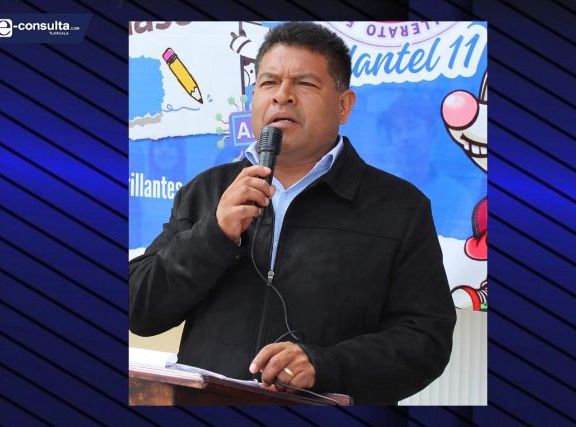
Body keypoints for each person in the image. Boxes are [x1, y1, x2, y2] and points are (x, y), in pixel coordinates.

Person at [129, 22, 456, 405]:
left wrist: (326, 365)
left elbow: (425, 340)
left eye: (305, 83)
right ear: (253, 97)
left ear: (344, 105)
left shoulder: (400, 207)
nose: (282, 96)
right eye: (268, 83)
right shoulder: (206, 191)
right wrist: (213, 234)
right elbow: (139, 308)